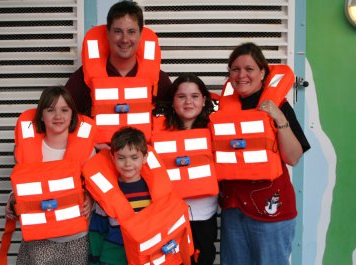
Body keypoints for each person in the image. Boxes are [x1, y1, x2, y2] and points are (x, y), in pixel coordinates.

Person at [212, 42, 311, 265]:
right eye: (235, 69)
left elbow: (293, 158)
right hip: (234, 209)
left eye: (249, 69)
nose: (241, 75)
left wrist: (280, 118)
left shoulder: (280, 106)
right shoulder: (222, 110)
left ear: (262, 72)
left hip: (270, 211)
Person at [1, 86, 96, 265]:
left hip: (76, 238)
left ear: (72, 115)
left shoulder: (87, 151)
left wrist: (90, 199)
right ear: (41, 116)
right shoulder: (26, 149)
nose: (58, 116)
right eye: (51, 110)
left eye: (64, 110)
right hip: (39, 240)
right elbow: (21, 186)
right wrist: (12, 200)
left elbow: (93, 187)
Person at [152, 74, 218, 265]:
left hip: (204, 217)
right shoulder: (156, 133)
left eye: (195, 96)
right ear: (173, 102)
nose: (188, 102)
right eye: (181, 97)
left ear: (204, 100)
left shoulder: (216, 131)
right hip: (169, 216)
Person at [65, 0, 171, 117]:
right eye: (118, 31)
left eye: (131, 32)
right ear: (108, 34)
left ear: (140, 35)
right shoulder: (82, 79)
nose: (125, 39)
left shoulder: (159, 81)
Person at [87, 127, 150, 264]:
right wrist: (94, 261)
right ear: (113, 158)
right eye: (121, 158)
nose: (128, 164)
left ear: (145, 157)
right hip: (112, 259)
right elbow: (97, 230)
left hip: (145, 257)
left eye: (134, 157)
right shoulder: (105, 192)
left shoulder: (153, 191)